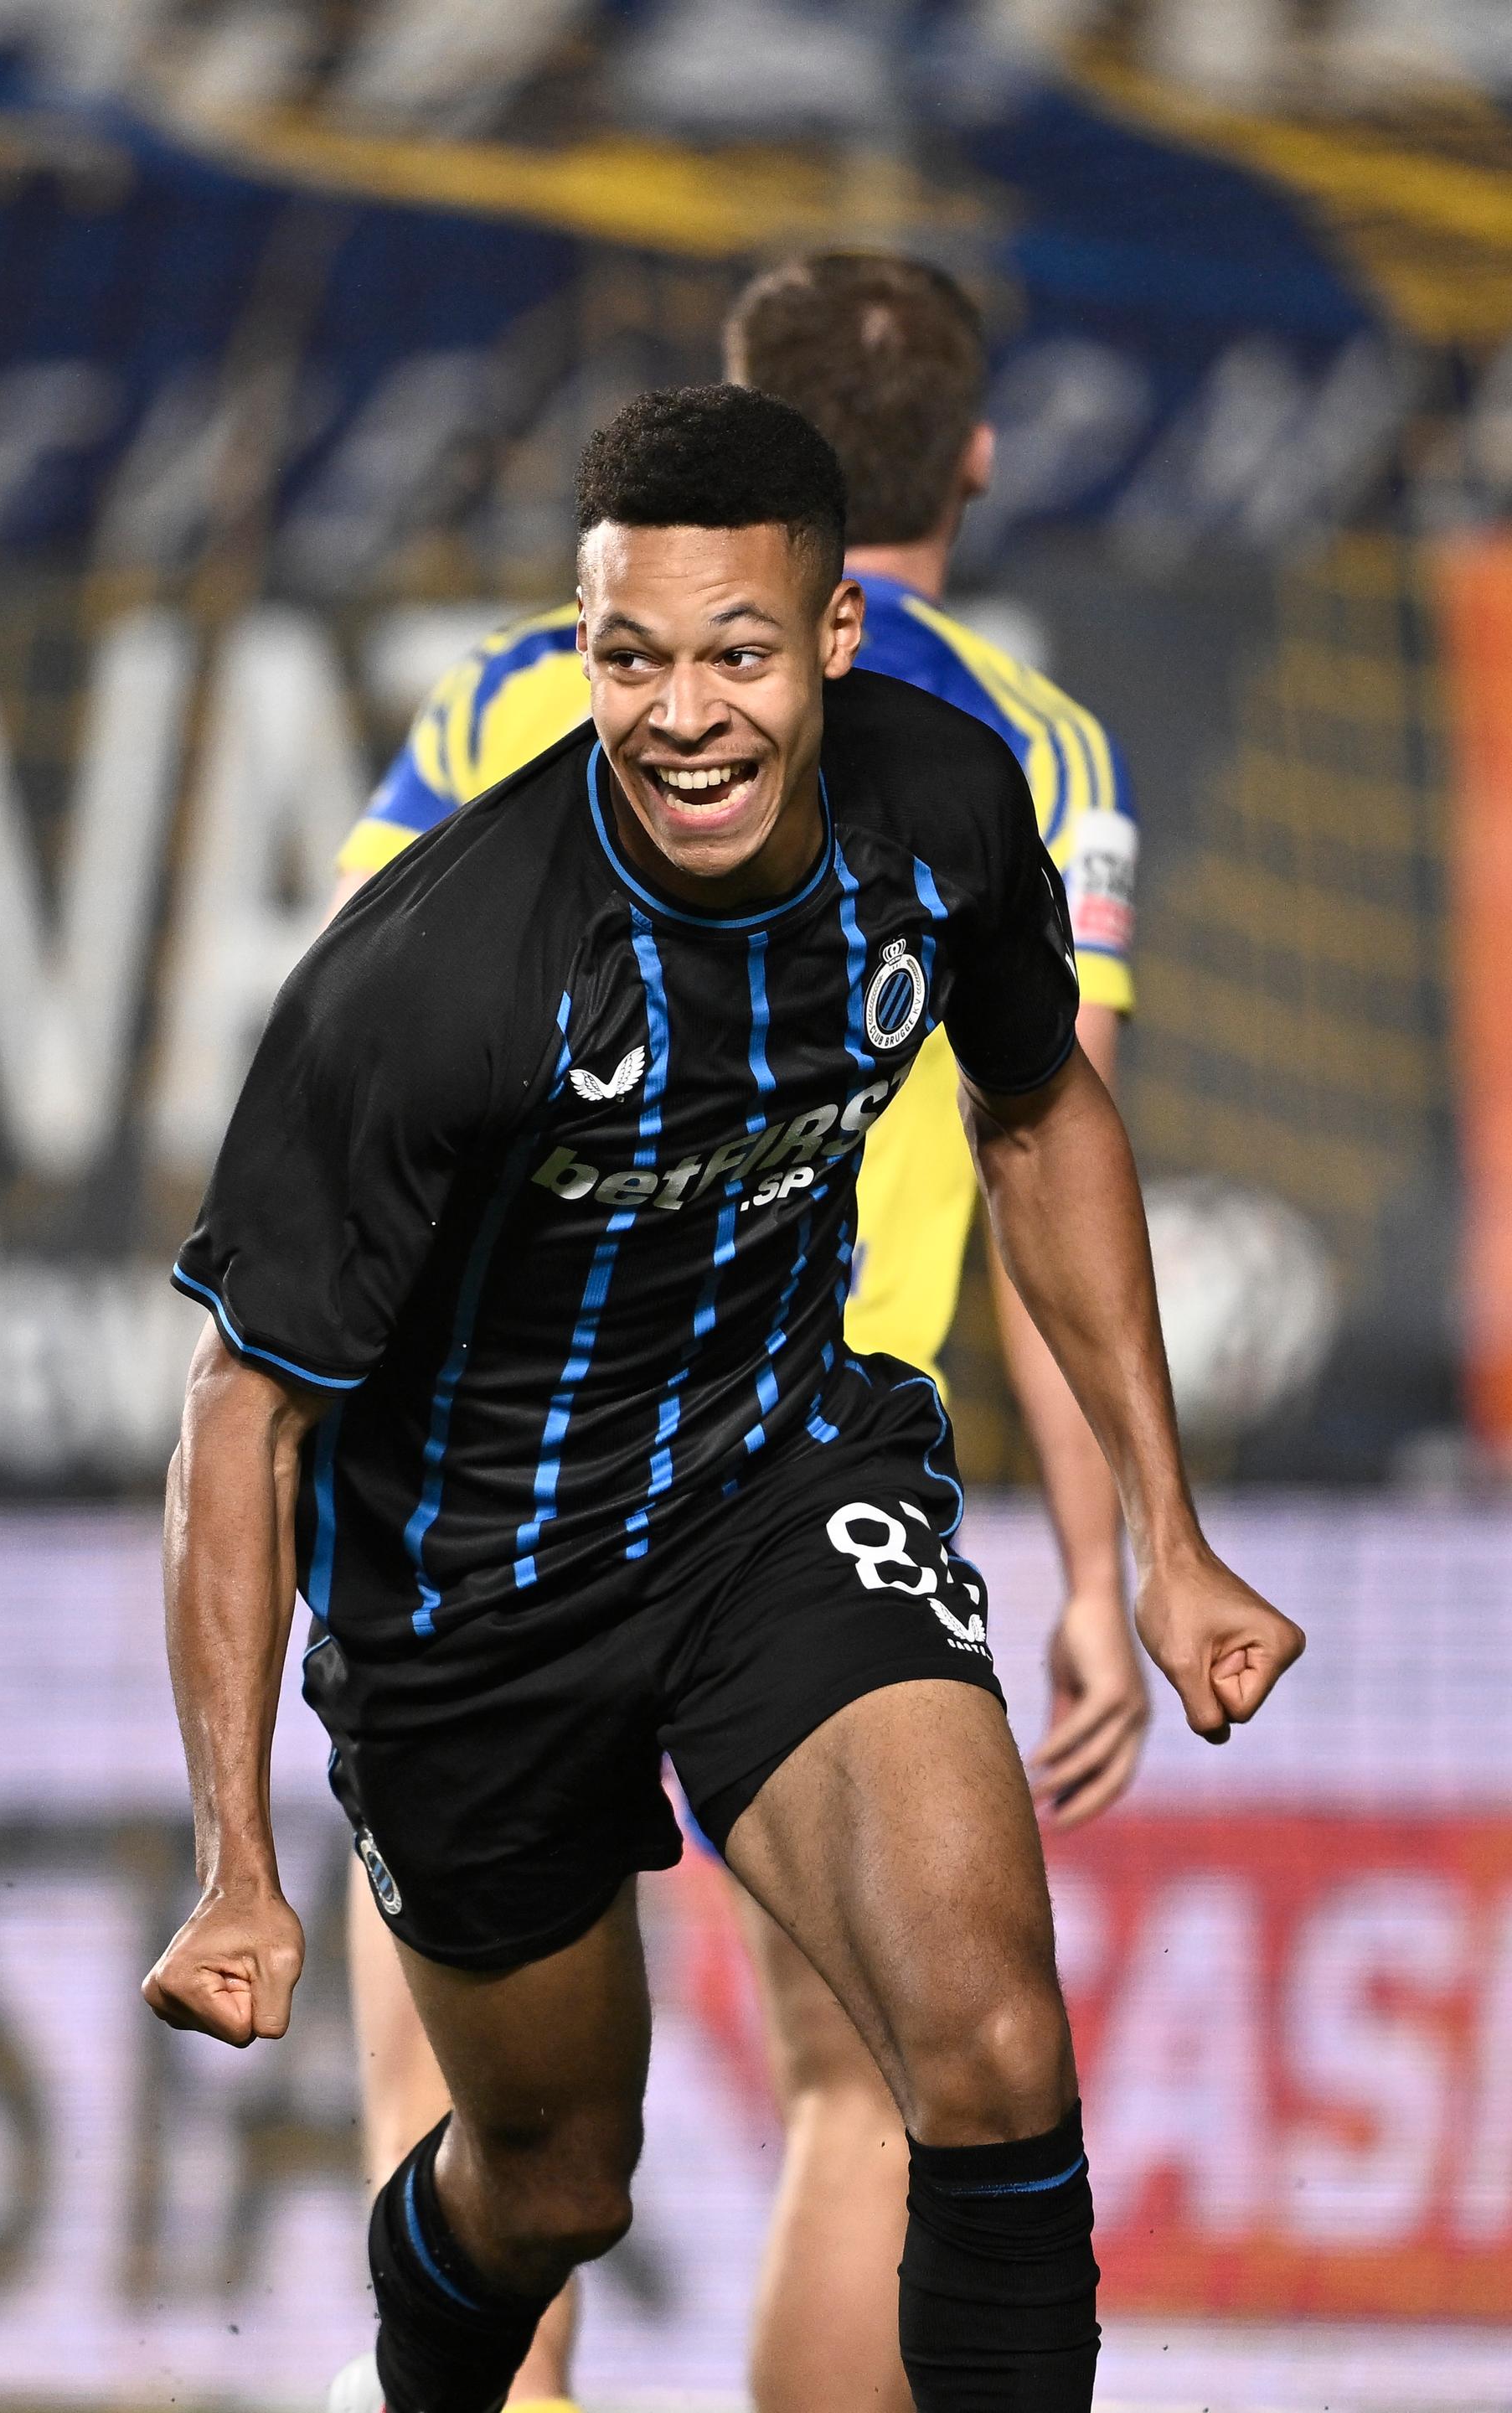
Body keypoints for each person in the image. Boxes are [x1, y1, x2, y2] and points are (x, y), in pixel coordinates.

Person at [144, 384, 1304, 2413]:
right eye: (630, 656)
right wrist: (236, 1857)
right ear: (582, 643)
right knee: (556, 2183)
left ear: (835, 638)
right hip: (474, 1603)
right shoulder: (432, 980)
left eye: (738, 654)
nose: (683, 713)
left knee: (999, 2058)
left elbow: (1042, 1114)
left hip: (780, 1487)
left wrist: (1167, 1539)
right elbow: (242, 1421)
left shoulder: (944, 805)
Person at [328, 255, 1146, 2413]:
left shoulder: (514, 690)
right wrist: (1114, 1564)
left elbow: (337, 1082)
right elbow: (1052, 1124)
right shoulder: (1027, 746)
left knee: (492, 2129)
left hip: (491, 1490)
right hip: (800, 1484)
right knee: (867, 2093)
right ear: (973, 459)